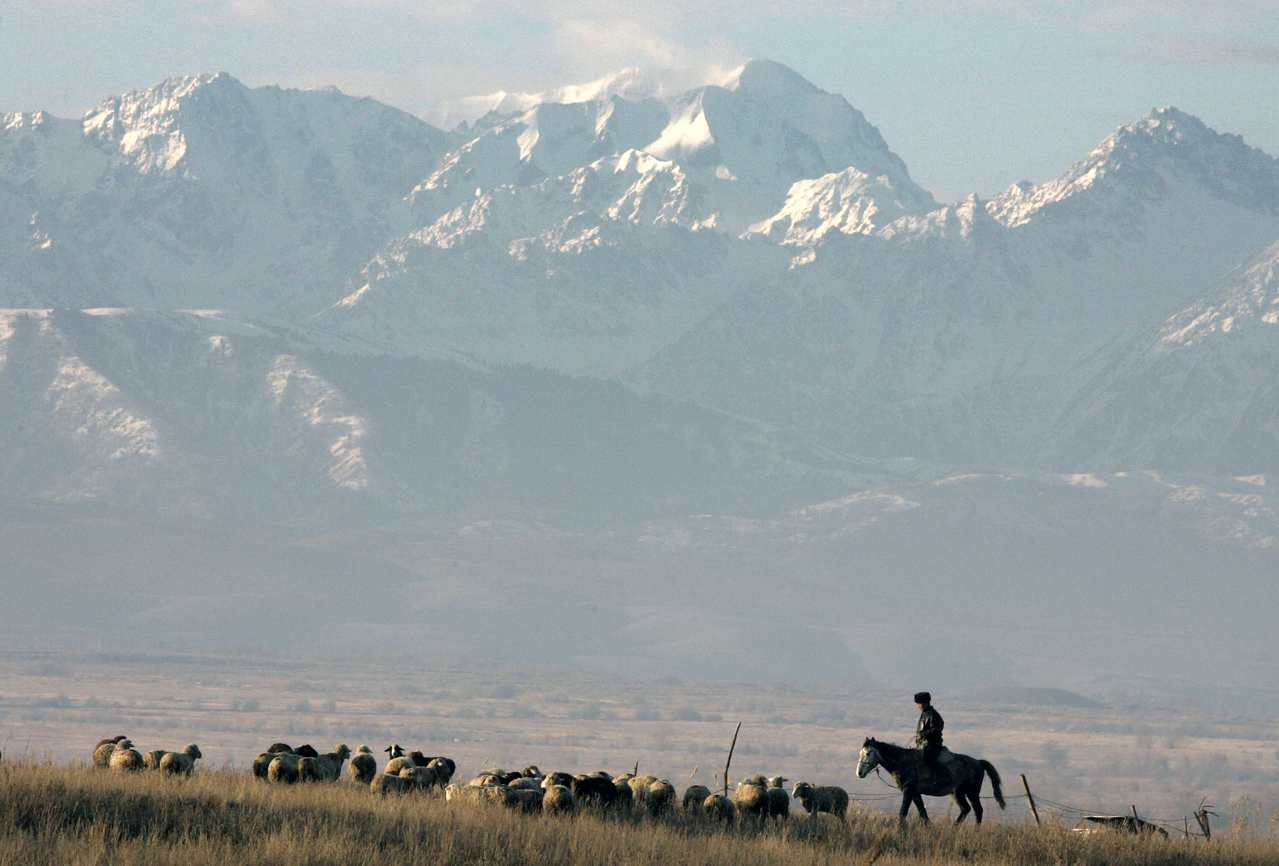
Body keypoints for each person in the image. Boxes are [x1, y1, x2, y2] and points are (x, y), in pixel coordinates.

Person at [914, 691, 944, 770]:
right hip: (923, 745)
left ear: (927, 703)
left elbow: (936, 729)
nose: (919, 706)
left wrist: (923, 734)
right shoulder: (924, 714)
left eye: (921, 703)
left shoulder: (933, 715)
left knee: (926, 760)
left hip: (932, 745)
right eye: (918, 703)